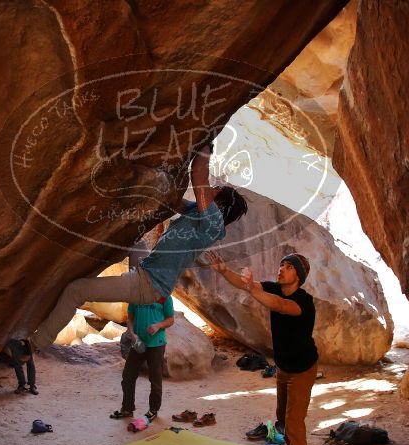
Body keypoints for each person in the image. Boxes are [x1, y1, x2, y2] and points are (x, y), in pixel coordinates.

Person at [32, 143, 248, 351]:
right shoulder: (198, 214)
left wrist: (207, 144)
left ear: (221, 204)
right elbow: (174, 202)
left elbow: (199, 175)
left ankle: (33, 346)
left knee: (75, 291)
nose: (211, 189)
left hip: (148, 285)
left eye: (216, 189)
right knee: (131, 238)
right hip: (147, 270)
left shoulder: (213, 223)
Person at [205, 250, 318, 445]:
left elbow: (277, 305)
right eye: (281, 265)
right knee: (282, 418)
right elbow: (249, 286)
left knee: (293, 424)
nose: (281, 269)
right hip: (284, 368)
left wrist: (253, 290)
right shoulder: (273, 288)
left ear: (298, 276)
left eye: (288, 267)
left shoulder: (304, 301)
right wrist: (223, 271)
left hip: (303, 369)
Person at [110, 295, 174, 421]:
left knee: (155, 378)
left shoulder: (164, 296)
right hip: (138, 343)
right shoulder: (137, 295)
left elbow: (171, 319)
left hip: (156, 343)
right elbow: (130, 319)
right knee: (128, 376)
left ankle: (153, 410)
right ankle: (127, 409)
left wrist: (158, 325)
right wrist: (132, 334)